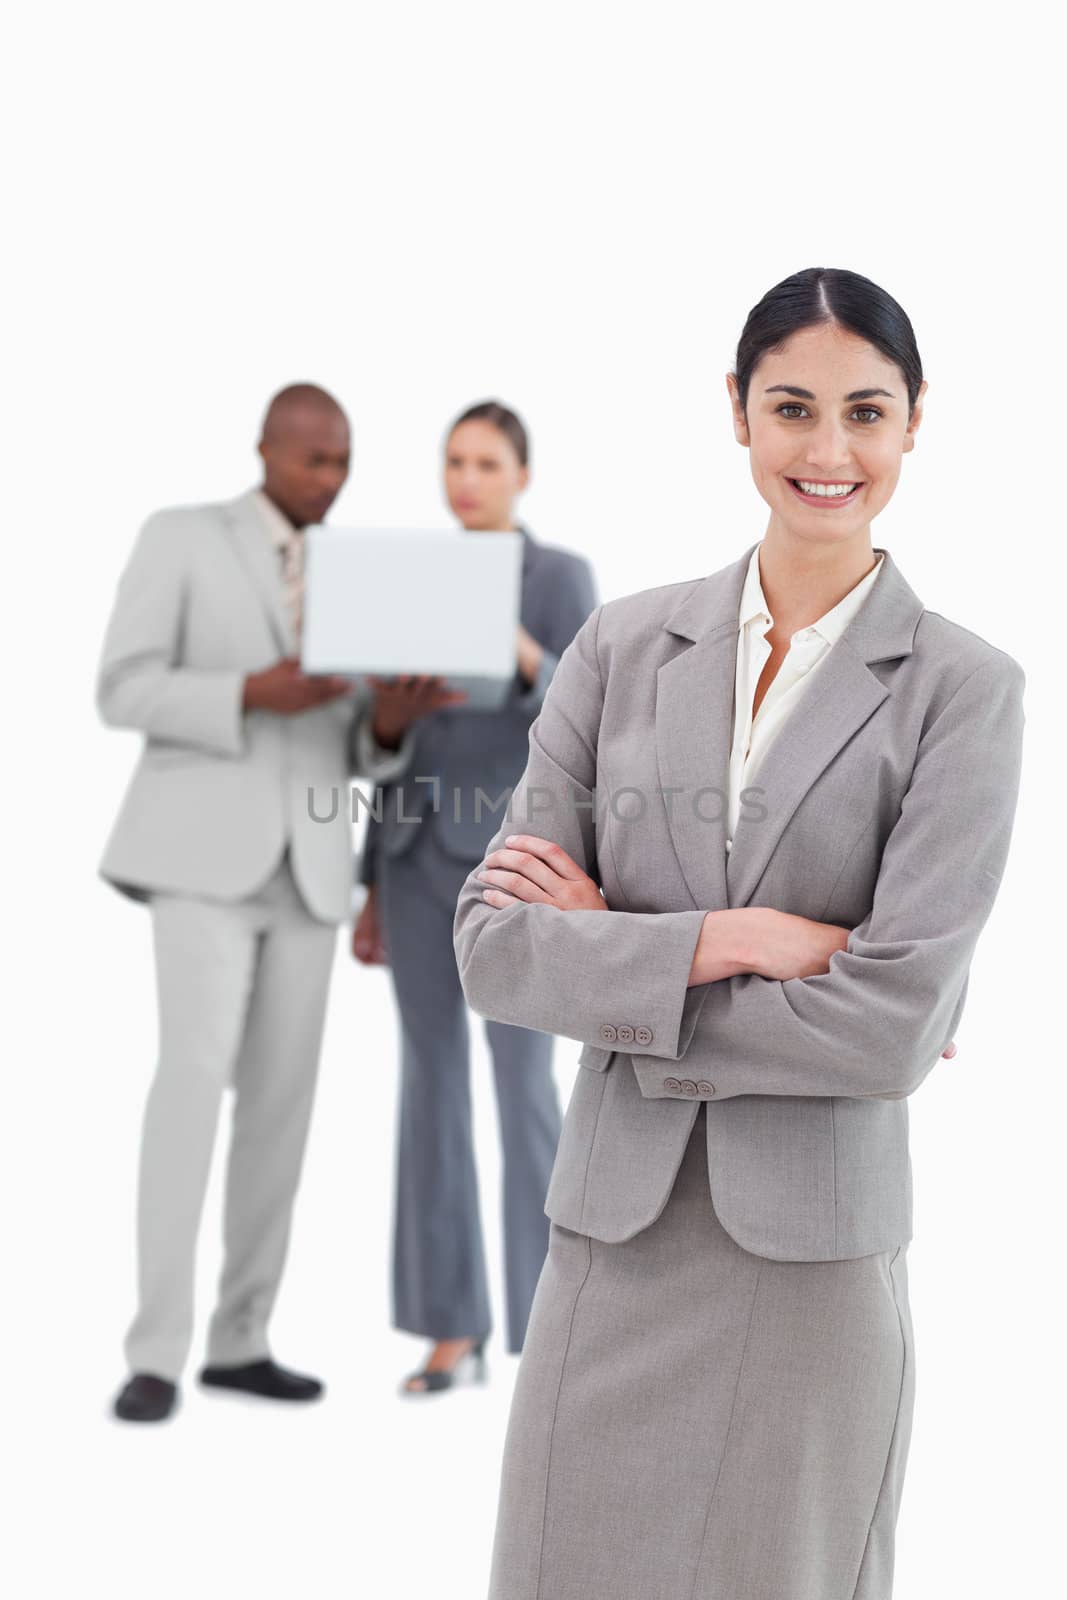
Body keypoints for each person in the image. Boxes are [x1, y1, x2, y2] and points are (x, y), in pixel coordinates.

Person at [453, 271, 1026, 1598]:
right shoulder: (616, 646)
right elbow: (492, 950)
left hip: (807, 1266)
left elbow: (888, 1029)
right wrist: (744, 938)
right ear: (735, 413)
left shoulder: (961, 691)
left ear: (911, 423)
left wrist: (617, 963)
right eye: (790, 409)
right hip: (610, 1241)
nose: (826, 453)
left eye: (863, 413)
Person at [98, 383, 425, 1423]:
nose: (327, 479)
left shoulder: (363, 576)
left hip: (311, 866)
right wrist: (248, 690)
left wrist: (387, 722)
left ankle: (241, 1338)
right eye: (312, 459)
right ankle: (155, 1350)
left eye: (342, 463)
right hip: (200, 858)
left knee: (282, 1108)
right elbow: (122, 686)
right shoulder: (181, 537)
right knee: (191, 1087)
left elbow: (360, 751)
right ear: (266, 450)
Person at [350, 401, 598, 1394]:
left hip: (513, 864)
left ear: (520, 475)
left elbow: (593, 713)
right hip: (412, 855)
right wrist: (369, 881)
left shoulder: (557, 577)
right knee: (429, 1083)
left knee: (522, 1084)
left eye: (485, 462)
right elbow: (394, 741)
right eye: (453, 461)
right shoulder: (414, 577)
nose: (465, 479)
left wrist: (519, 648)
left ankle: (551, 1331)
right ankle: (448, 1325)